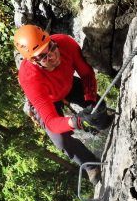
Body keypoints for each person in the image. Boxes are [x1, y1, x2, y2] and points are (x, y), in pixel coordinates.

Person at [14, 24, 113, 185]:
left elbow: (87, 74)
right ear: (33, 61)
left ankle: (103, 122)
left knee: (97, 109)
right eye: (44, 57)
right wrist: (77, 121)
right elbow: (52, 122)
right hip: (49, 99)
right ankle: (90, 164)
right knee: (60, 140)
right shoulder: (29, 79)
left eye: (51, 47)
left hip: (67, 84)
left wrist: (89, 102)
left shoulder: (65, 42)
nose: (53, 55)